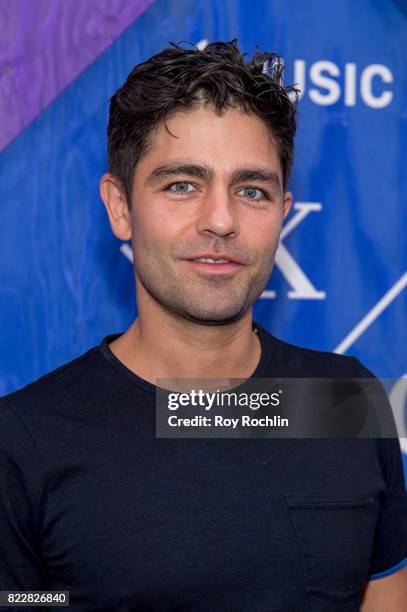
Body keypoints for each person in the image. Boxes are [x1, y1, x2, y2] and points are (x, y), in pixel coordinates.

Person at [0, 39, 406, 611]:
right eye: (182, 185)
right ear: (120, 207)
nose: (221, 220)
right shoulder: (26, 443)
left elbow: (385, 597)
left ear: (283, 213)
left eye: (251, 190)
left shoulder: (343, 399)